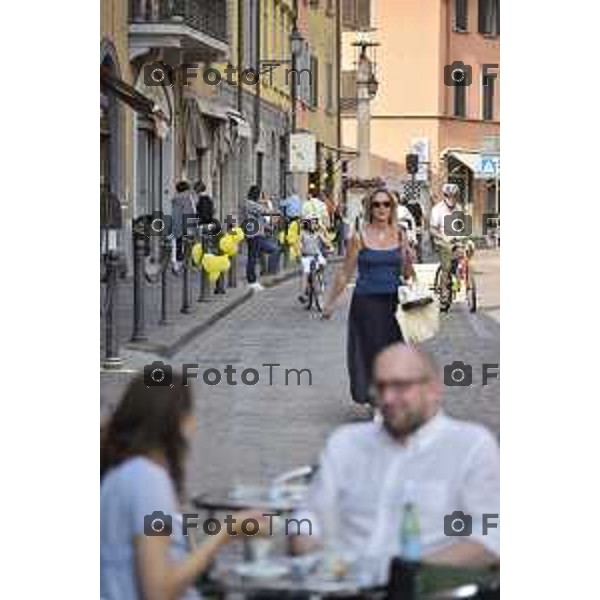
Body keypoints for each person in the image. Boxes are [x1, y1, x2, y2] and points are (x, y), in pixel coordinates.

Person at [292, 344, 500, 583]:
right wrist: (309, 548)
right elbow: (306, 515)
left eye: (401, 386)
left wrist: (409, 575)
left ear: (433, 388)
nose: (388, 398)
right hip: (340, 585)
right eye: (381, 387)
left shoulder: (470, 446)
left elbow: (492, 536)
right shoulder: (345, 443)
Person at [100, 373, 266, 600]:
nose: (194, 423)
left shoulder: (119, 476)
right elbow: (158, 591)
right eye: (189, 412)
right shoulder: (148, 482)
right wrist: (225, 534)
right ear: (175, 420)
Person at [322, 188, 415, 405]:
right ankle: (375, 398)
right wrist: (330, 303)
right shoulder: (359, 236)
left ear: (392, 208)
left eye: (386, 204)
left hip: (394, 303)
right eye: (377, 204)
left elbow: (407, 274)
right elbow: (345, 272)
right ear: (369, 208)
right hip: (366, 302)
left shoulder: (401, 234)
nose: (382, 208)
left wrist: (408, 257)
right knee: (371, 351)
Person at [430, 183, 464, 312]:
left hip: (455, 240)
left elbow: (462, 226)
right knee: (447, 266)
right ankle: (444, 297)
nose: (452, 198)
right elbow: (433, 229)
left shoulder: (458, 208)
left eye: (454, 196)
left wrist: (466, 237)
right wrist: (443, 237)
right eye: (449, 196)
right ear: (444, 196)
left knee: (465, 252)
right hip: (441, 241)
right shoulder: (437, 209)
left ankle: (464, 277)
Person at [245, 185, 278, 291]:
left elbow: (261, 218)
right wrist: (274, 210)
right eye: (259, 194)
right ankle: (252, 280)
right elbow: (265, 211)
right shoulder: (251, 204)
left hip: (257, 233)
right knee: (253, 257)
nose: (261, 196)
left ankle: (260, 277)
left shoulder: (252, 204)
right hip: (254, 234)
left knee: (255, 256)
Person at [298, 217, 329, 304]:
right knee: (305, 273)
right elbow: (299, 244)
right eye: (312, 223)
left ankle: (320, 276)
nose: (314, 225)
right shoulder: (302, 233)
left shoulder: (318, 233)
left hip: (316, 256)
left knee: (323, 263)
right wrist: (299, 251)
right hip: (306, 256)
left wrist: (329, 247)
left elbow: (326, 242)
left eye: (315, 223)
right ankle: (303, 294)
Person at [171, 181, 196, 274]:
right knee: (187, 245)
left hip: (175, 225)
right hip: (186, 224)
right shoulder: (188, 199)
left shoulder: (174, 199)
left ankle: (176, 264)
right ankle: (185, 264)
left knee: (177, 244)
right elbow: (190, 213)